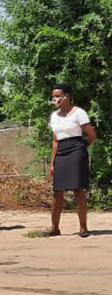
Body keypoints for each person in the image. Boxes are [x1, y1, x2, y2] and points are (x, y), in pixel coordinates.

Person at [48, 83, 96, 237]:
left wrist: (83, 147)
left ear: (66, 96)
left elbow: (91, 134)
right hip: (61, 151)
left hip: (76, 150)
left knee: (77, 189)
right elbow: (55, 140)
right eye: (53, 96)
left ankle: (83, 227)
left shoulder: (78, 113)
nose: (55, 99)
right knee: (57, 191)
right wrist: (52, 162)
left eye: (57, 96)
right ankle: (55, 228)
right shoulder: (54, 116)